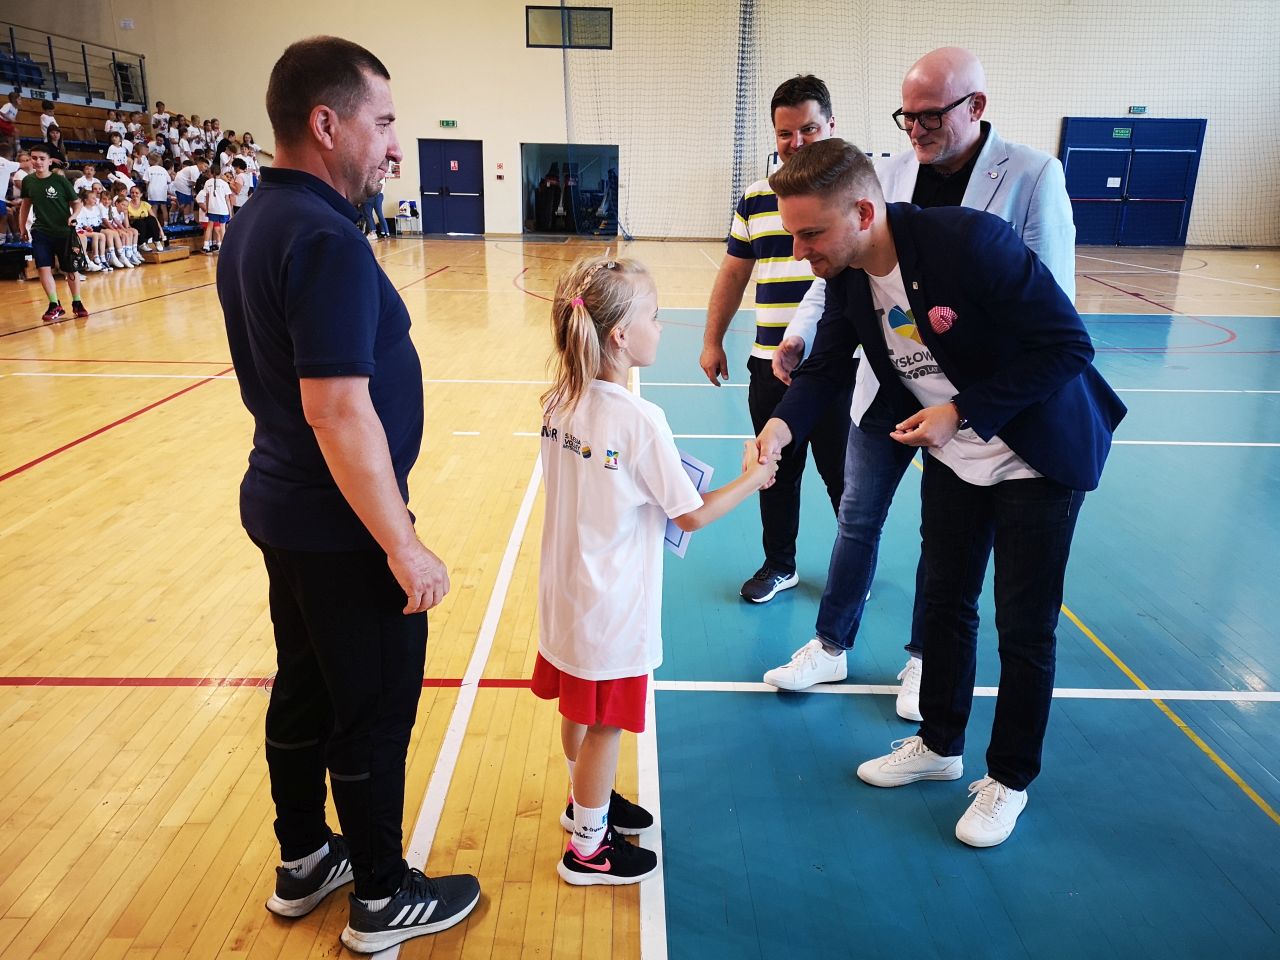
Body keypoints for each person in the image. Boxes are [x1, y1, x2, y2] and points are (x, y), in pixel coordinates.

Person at [751, 138, 1125, 847]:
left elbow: (1069, 346)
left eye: (810, 234)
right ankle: (940, 745)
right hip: (956, 456)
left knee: (1024, 627)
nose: (800, 251)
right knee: (947, 603)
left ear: (863, 213)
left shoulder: (971, 243)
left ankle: (1008, 779)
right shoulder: (850, 276)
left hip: (1037, 453)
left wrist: (964, 410)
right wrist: (781, 425)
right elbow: (825, 367)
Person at [217, 36, 480, 953]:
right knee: (371, 708)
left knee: (304, 686)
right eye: (386, 122)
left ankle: (304, 859)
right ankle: (381, 894)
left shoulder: (259, 217)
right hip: (342, 525)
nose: (396, 145)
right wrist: (401, 542)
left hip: (286, 507)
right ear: (326, 124)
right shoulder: (324, 235)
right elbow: (335, 409)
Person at [762, 48, 1077, 719]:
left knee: (965, 565)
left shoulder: (1025, 183)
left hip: (979, 404)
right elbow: (838, 275)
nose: (915, 128)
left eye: (930, 115)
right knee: (858, 516)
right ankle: (832, 644)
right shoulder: (883, 175)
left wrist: (965, 407)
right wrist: (787, 401)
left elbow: (1053, 312)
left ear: (976, 106)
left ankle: (928, 662)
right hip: (895, 383)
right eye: (906, 115)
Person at [535, 255, 777, 886]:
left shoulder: (560, 399)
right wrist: (754, 478)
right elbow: (690, 513)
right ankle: (589, 849)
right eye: (656, 315)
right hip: (610, 604)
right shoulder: (640, 420)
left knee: (580, 709)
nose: (663, 325)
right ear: (620, 334)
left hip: (565, 594)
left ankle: (583, 803)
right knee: (606, 724)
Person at [699, 74, 849, 604]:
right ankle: (780, 565)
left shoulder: (854, 196)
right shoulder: (756, 199)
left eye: (809, 129)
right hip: (769, 365)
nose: (797, 142)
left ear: (831, 126)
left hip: (838, 366)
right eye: (786, 133)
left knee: (844, 478)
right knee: (774, 470)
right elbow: (733, 273)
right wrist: (713, 340)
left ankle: (852, 569)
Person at [19, 144, 87, 320]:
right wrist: (22, 227)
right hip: (40, 231)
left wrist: (74, 216)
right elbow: (25, 205)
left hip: (64, 232)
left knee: (70, 269)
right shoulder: (28, 181)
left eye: (42, 158)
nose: (38, 162)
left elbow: (77, 203)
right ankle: (54, 304)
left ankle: (77, 302)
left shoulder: (60, 181)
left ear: (50, 161)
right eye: (34, 158)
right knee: (43, 267)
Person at [197, 164, 235, 251]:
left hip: (212, 208)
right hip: (223, 209)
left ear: (211, 172)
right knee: (222, 227)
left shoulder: (207, 182)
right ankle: (222, 246)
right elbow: (227, 199)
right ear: (220, 172)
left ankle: (206, 245)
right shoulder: (224, 183)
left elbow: (207, 197)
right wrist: (230, 212)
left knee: (209, 226)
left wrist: (207, 208)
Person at [127, 184, 166, 249]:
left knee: (151, 219)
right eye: (132, 193)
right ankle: (142, 244)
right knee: (139, 221)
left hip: (146, 229)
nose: (134, 194)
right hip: (135, 227)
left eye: (137, 193)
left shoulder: (145, 204)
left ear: (141, 194)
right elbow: (125, 220)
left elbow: (155, 219)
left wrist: (161, 231)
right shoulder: (127, 205)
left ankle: (156, 241)